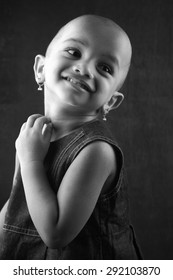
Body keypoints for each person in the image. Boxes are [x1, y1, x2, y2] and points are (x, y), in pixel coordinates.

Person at [0, 14, 142, 259]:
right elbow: (17, 206)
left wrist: (31, 161)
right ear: (41, 68)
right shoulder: (34, 136)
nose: (84, 68)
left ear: (110, 102)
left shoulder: (95, 151)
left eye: (105, 68)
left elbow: (55, 234)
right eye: (74, 52)